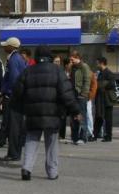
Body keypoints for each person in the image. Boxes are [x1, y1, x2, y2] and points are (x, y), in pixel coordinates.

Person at [11, 46, 81, 181]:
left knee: (31, 140)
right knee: (52, 142)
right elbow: (66, 94)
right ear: (50, 57)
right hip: (53, 112)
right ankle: (52, 172)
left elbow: (17, 93)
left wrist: (18, 109)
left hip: (32, 112)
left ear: (36, 57)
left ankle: (26, 168)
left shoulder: (28, 71)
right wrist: (75, 110)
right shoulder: (57, 71)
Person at [0, 37, 27, 161]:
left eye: (6, 46)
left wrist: (7, 93)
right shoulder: (18, 59)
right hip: (16, 96)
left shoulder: (14, 60)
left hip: (12, 97)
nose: (4, 48)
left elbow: (14, 79)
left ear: (12, 47)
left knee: (13, 126)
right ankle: (14, 152)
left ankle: (13, 153)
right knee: (15, 126)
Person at [69, 50, 92, 145]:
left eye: (72, 59)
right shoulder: (73, 67)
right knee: (73, 116)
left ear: (77, 57)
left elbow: (87, 81)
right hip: (73, 95)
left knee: (82, 116)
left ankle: (83, 137)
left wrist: (83, 94)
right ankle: (75, 137)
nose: (71, 61)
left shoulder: (84, 67)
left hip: (80, 96)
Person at [94, 57, 115, 142]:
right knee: (98, 117)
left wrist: (100, 85)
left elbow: (111, 85)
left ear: (101, 63)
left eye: (97, 63)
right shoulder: (101, 73)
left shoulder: (108, 73)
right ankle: (95, 135)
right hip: (100, 99)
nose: (96, 64)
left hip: (107, 99)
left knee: (108, 118)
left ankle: (108, 136)